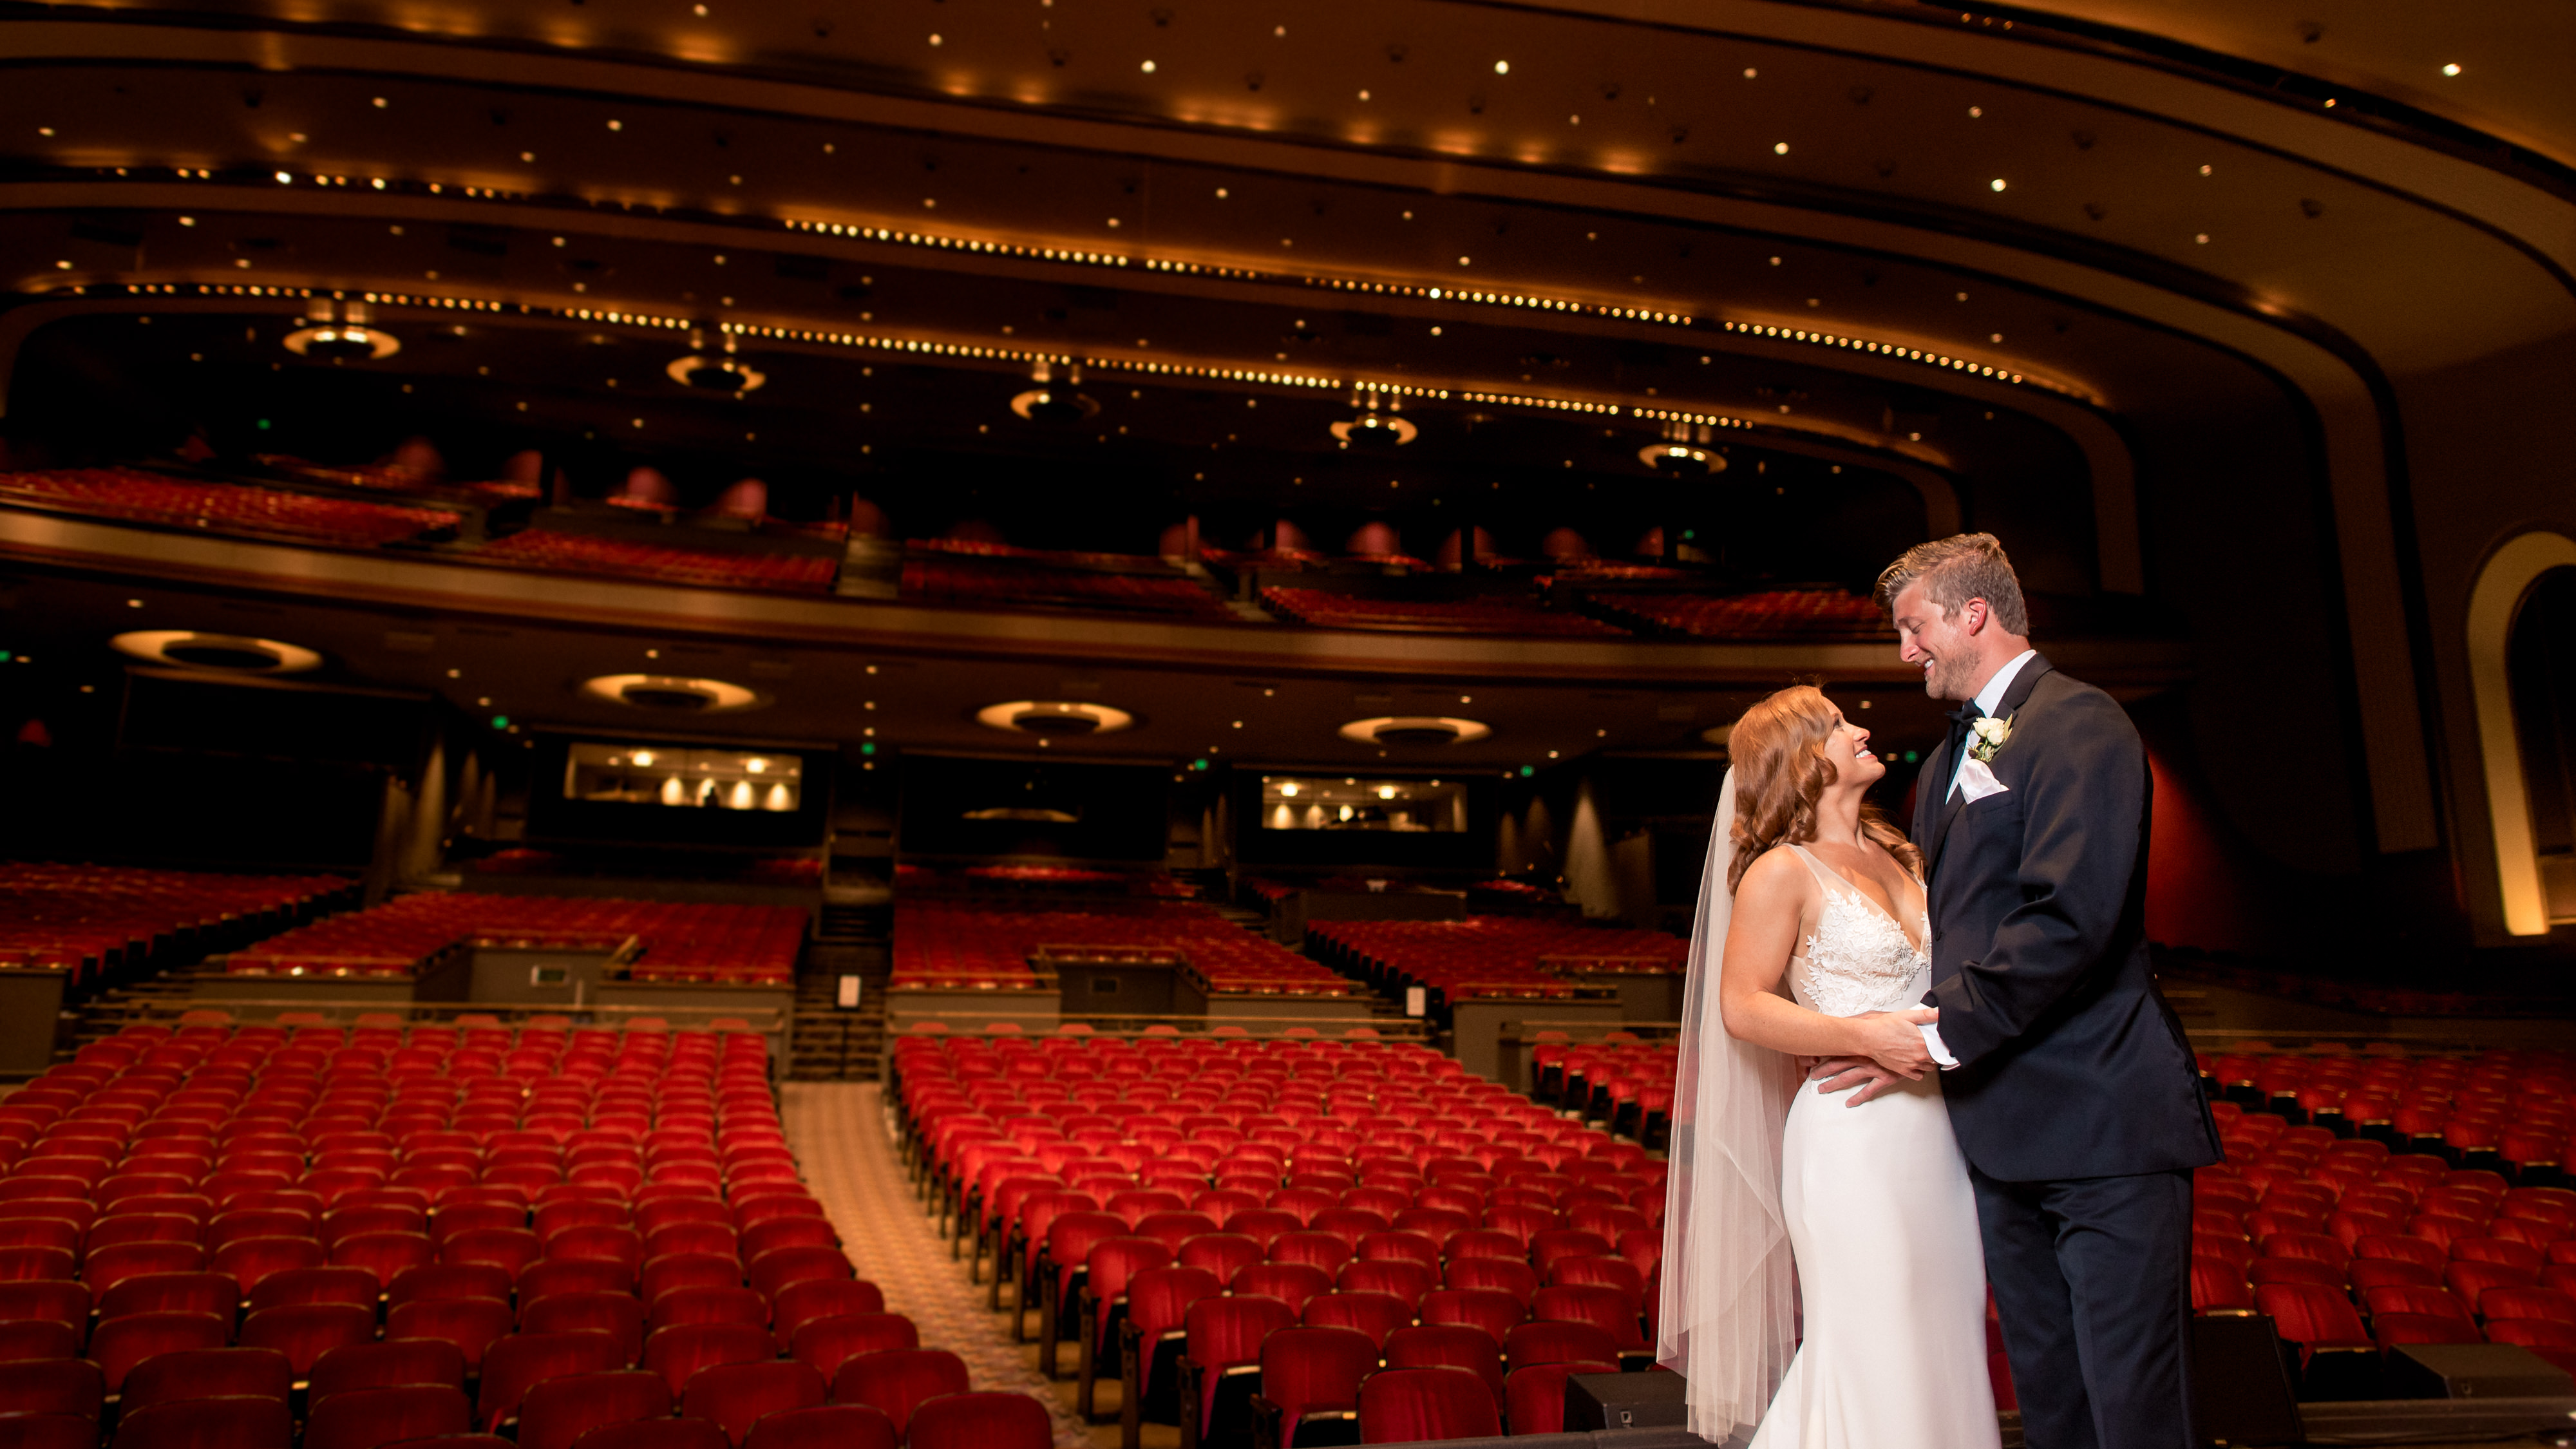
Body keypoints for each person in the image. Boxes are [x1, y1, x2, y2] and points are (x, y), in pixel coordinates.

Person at [1813, 533, 2221, 1449]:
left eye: (1914, 627)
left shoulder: (2082, 722)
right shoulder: (1944, 759)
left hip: (2102, 1121)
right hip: (2001, 1133)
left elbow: (2069, 917)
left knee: (2136, 1404)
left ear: (1973, 614)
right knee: (2052, 1398)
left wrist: (1929, 1035)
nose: (1905, 651)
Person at [1657, 683, 1999, 1449]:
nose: (1862, 729)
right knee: (1874, 1340)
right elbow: (1741, 1006)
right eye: (1841, 724)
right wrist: (1861, 1035)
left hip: (1940, 1133)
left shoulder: (1904, 853)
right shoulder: (1780, 871)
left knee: (1945, 1330)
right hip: (1853, 1135)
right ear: (1804, 758)